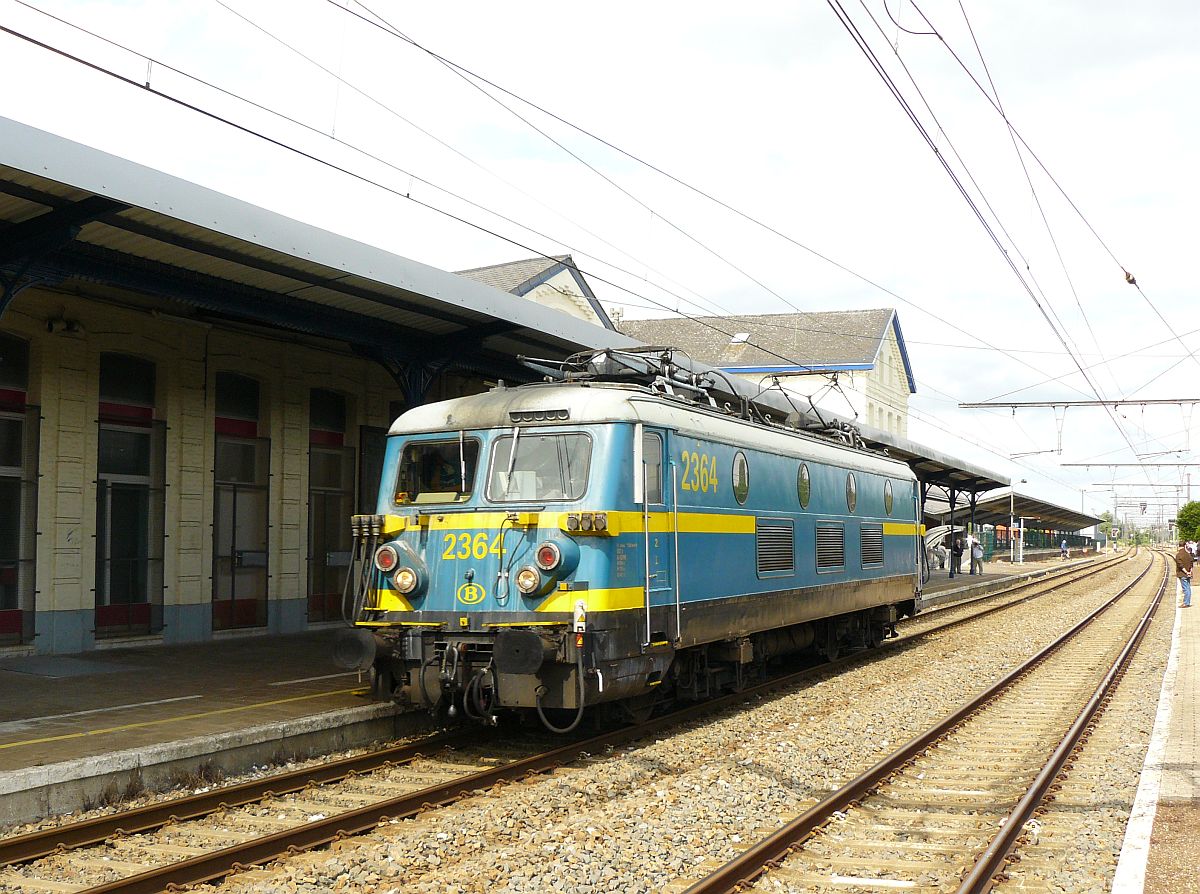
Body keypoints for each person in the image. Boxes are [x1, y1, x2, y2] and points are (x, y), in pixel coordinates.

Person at [1175, 540, 1193, 608]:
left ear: (1179, 546)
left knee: (1185, 589)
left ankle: (1186, 603)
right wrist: (1190, 572)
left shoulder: (1178, 555)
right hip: (1188, 574)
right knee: (1188, 588)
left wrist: (1186, 572)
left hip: (1183, 574)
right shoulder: (1188, 554)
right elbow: (1191, 564)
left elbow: (1180, 565)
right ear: (1185, 546)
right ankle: (1187, 602)